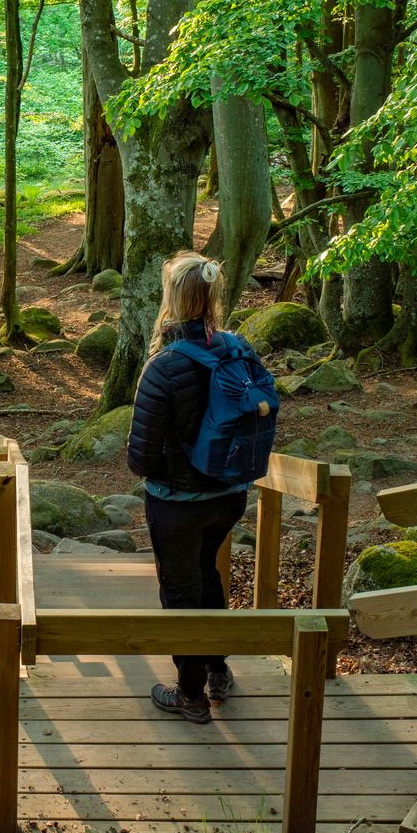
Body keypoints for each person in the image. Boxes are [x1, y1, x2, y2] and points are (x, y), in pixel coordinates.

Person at [124, 251, 250, 724]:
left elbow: (141, 458)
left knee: (180, 591)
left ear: (172, 300)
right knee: (207, 574)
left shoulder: (163, 366)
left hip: (177, 503)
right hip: (229, 496)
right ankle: (218, 670)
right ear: (213, 296)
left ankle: (191, 695)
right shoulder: (236, 348)